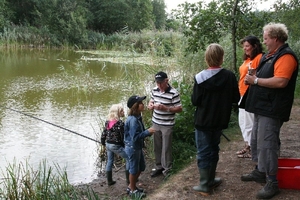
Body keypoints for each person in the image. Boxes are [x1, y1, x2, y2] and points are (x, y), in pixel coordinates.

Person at [242, 22, 298, 199]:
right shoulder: (269, 55)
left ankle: (272, 182)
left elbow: (281, 81)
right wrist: (252, 78)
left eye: (266, 38)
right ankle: (260, 170)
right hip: (262, 105)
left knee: (268, 144)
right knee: (257, 139)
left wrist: (256, 81)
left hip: (273, 108)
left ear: (275, 38)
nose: (264, 41)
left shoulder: (286, 56)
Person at [191, 43, 240, 196]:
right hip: (220, 120)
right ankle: (210, 179)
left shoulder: (200, 78)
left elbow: (195, 101)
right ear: (221, 57)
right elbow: (235, 98)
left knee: (204, 151)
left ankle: (205, 185)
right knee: (214, 148)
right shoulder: (230, 76)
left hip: (204, 121)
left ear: (207, 58)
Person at [147, 71, 182, 177]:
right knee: (157, 146)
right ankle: (158, 167)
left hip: (167, 124)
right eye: (157, 83)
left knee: (166, 147)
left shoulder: (173, 92)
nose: (159, 85)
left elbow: (179, 109)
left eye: (161, 83)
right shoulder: (154, 90)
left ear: (166, 81)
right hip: (156, 122)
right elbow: (151, 100)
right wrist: (150, 104)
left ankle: (167, 169)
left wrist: (166, 108)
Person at [236, 36, 263, 158]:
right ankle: (248, 145)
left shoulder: (259, 58)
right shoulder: (247, 59)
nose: (245, 48)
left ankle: (253, 148)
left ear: (255, 46)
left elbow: (258, 75)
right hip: (242, 93)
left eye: (247, 46)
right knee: (243, 122)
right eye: (244, 46)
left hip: (250, 94)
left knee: (250, 122)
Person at [124, 95, 156, 199]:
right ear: (136, 106)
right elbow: (135, 137)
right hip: (133, 148)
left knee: (141, 167)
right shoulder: (133, 120)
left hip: (137, 147)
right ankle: (133, 191)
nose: (143, 104)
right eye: (141, 103)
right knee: (133, 169)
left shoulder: (138, 117)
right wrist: (147, 132)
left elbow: (139, 133)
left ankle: (131, 186)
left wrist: (147, 132)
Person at [100, 103, 129, 186]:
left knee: (109, 161)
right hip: (116, 145)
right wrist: (124, 145)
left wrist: (103, 142)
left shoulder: (108, 122)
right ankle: (128, 180)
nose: (123, 112)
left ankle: (109, 181)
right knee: (128, 158)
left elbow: (104, 133)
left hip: (108, 144)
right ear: (117, 112)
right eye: (122, 111)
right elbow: (122, 136)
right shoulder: (119, 123)